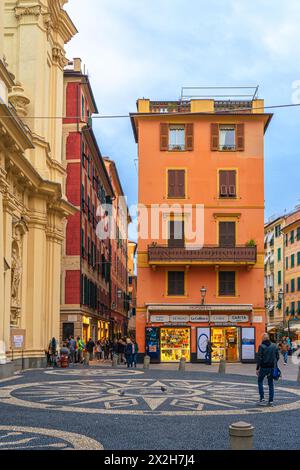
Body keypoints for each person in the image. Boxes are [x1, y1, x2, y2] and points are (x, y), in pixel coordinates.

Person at [256, 333, 279, 406]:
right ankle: (271, 401)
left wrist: (257, 368)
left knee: (260, 381)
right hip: (271, 368)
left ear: (263, 338)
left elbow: (259, 358)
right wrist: (273, 363)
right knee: (271, 384)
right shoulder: (274, 346)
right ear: (268, 338)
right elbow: (277, 357)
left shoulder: (261, 346)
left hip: (263, 367)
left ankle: (262, 398)